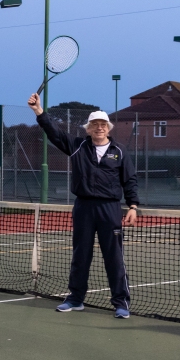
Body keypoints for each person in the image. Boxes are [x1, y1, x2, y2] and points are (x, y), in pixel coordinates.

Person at [28, 93, 138, 319]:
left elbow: (130, 180)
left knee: (114, 257)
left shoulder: (120, 151)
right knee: (81, 255)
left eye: (103, 125)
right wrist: (39, 111)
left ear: (109, 128)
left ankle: (121, 303)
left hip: (110, 209)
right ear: (88, 128)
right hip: (84, 208)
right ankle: (75, 299)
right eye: (95, 125)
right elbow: (54, 133)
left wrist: (133, 206)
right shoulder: (77, 146)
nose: (99, 128)